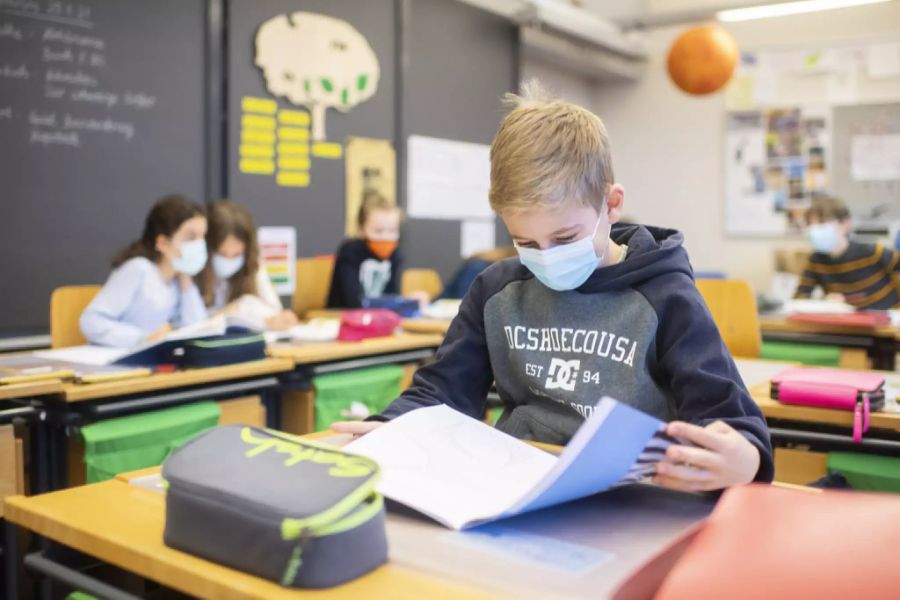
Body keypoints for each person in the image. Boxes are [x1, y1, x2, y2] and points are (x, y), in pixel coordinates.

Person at [334, 82, 774, 492]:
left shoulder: (665, 295)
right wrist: (392, 426)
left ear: (611, 204)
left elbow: (731, 420)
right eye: (525, 242)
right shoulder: (496, 291)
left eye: (565, 239)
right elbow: (442, 391)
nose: (546, 256)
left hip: (629, 493)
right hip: (517, 482)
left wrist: (746, 459)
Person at [81, 195, 208, 347]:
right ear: (162, 243)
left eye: (203, 237)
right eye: (191, 237)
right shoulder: (138, 269)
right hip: (114, 360)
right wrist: (142, 338)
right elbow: (91, 321)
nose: (199, 244)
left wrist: (186, 281)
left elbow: (198, 330)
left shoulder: (177, 280)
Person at [198, 199, 298, 330]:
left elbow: (274, 311)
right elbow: (192, 324)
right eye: (222, 254)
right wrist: (229, 312)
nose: (229, 260)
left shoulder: (252, 265)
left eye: (236, 254)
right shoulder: (193, 270)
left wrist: (279, 319)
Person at [795, 197, 900, 309]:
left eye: (822, 222)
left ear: (845, 223)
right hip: (847, 323)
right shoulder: (815, 261)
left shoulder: (874, 252)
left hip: (889, 320)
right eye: (810, 224)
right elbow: (799, 300)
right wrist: (823, 302)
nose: (814, 229)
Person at [327, 191, 425, 308]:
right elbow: (352, 301)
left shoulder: (394, 254)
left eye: (392, 231)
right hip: (343, 317)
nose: (386, 237)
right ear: (361, 229)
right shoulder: (350, 251)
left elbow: (392, 295)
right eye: (378, 231)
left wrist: (407, 301)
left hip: (377, 318)